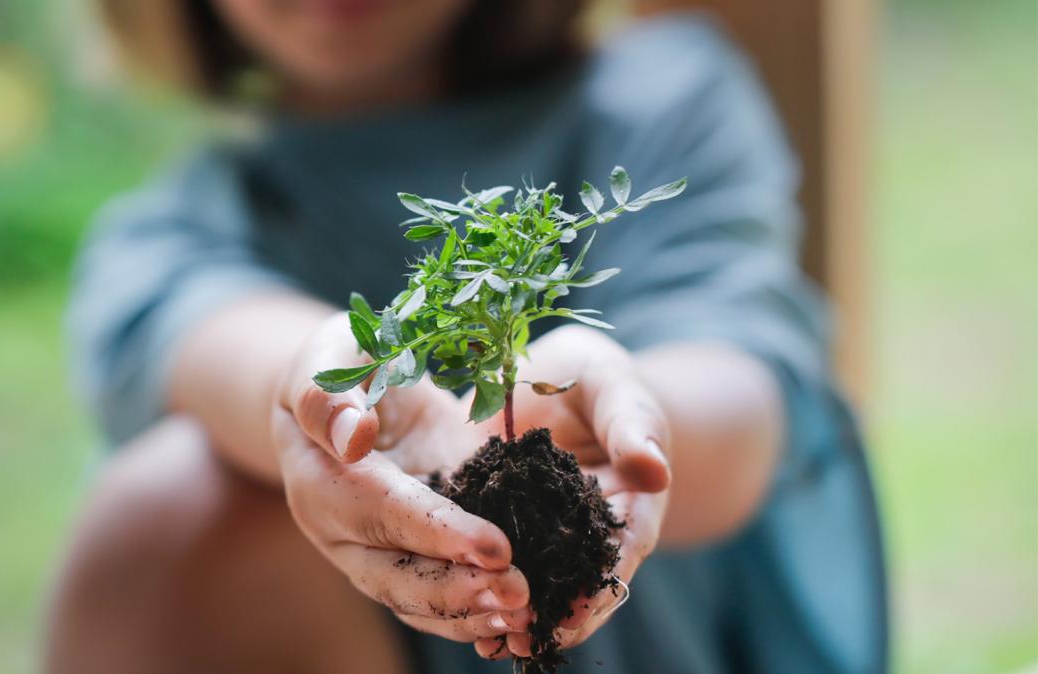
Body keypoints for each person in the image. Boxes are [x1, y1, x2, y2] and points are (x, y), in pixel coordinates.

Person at [47, 1, 887, 672]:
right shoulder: (175, 232)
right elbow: (226, 342)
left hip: (653, 634)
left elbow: (739, 384)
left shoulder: (660, 99)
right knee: (164, 505)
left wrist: (626, 413)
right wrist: (331, 402)